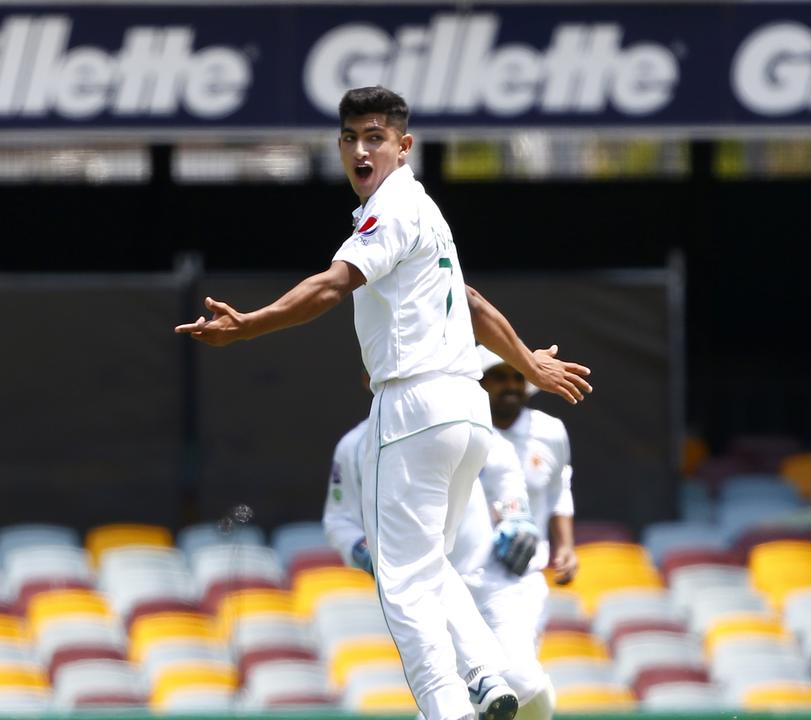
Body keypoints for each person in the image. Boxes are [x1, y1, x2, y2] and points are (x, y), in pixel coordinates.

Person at [176, 86, 591, 720]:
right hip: (467, 413)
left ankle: (447, 708)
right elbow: (472, 302)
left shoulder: (390, 209)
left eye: (376, 137)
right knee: (432, 564)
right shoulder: (427, 210)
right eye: (350, 138)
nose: (361, 150)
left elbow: (332, 285)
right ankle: (488, 675)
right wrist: (526, 358)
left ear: (404, 146)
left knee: (402, 584)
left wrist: (249, 326)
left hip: (415, 408)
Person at [323, 411, 557, 720]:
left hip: (489, 580)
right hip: (424, 591)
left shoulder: (459, 420)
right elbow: (339, 520)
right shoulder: (354, 445)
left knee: (522, 680)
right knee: (450, 703)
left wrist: (517, 520)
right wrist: (370, 553)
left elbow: (505, 473)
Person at [478, 347, 578, 592]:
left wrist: (565, 546)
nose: (511, 385)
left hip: (524, 575)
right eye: (500, 377)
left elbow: (558, 490)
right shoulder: (460, 434)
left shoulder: (550, 431)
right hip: (466, 573)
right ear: (481, 383)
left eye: (518, 377)